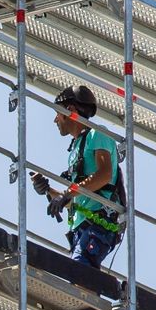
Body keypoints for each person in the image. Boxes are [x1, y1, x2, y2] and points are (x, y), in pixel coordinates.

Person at [33, 84, 126, 270]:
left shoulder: (96, 134)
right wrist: (49, 191)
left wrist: (66, 194)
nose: (55, 119)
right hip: (82, 226)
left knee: (81, 272)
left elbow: (104, 175)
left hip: (98, 223)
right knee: (80, 273)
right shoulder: (76, 148)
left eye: (57, 112)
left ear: (70, 110)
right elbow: (77, 199)